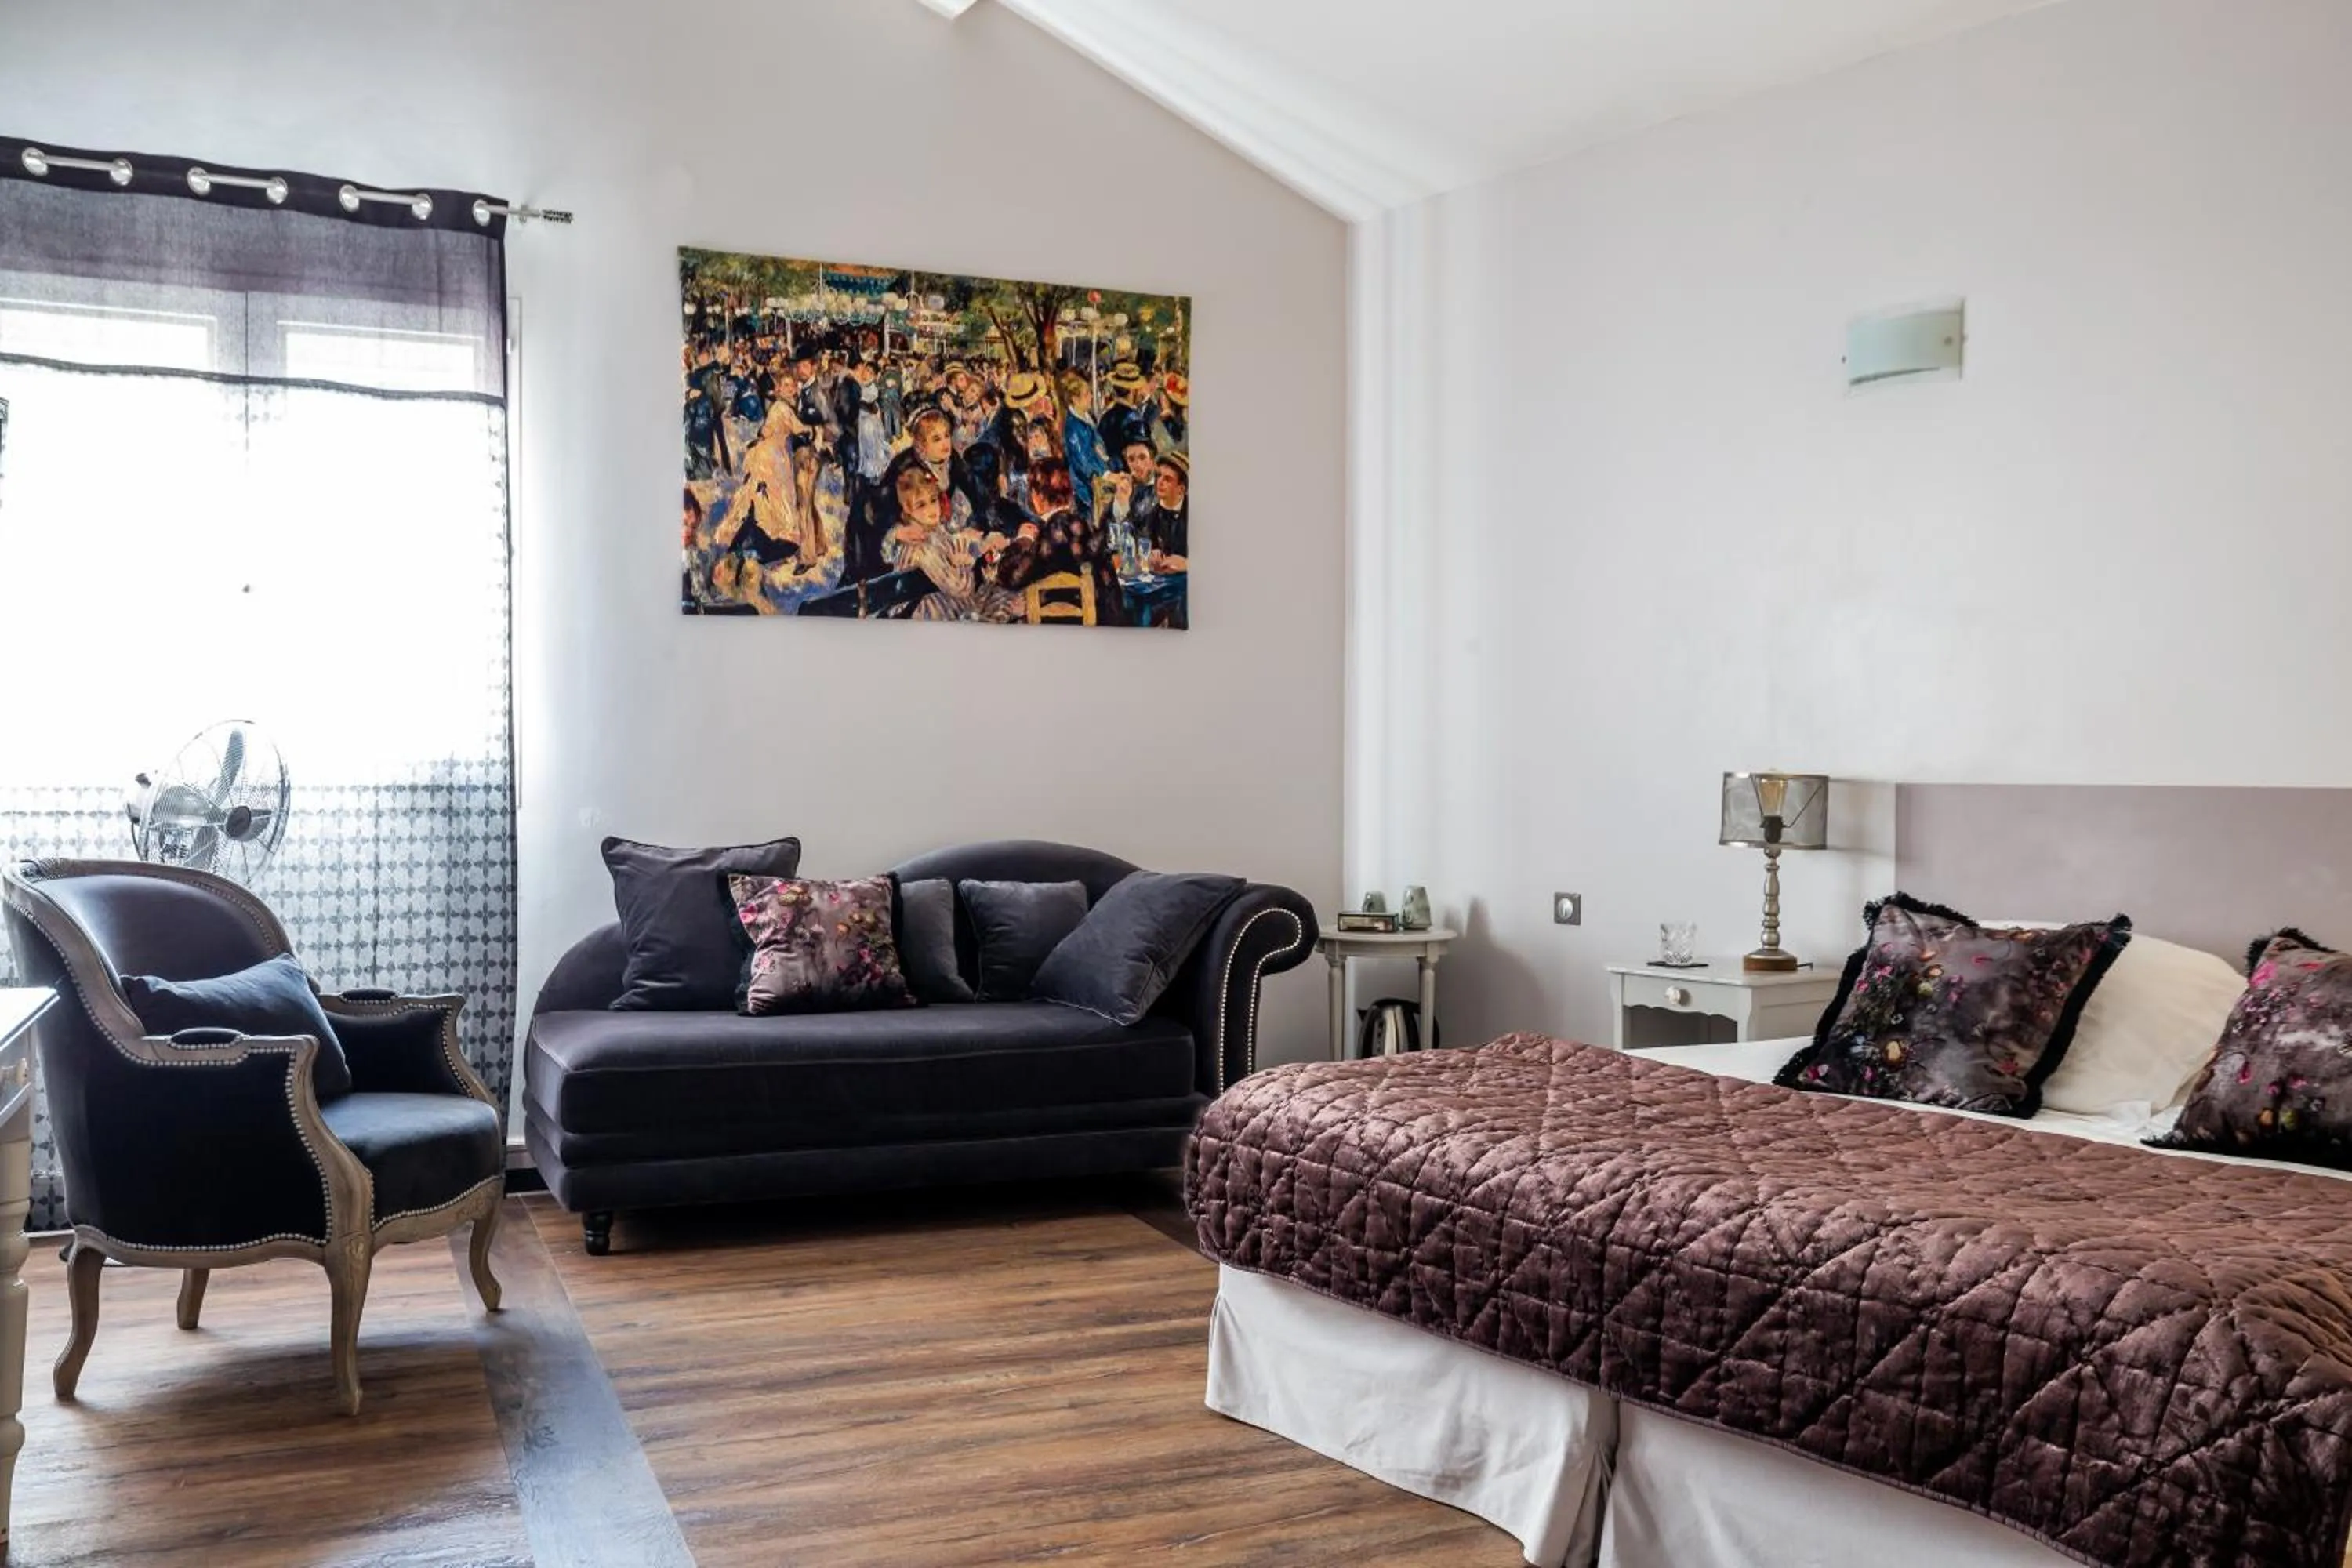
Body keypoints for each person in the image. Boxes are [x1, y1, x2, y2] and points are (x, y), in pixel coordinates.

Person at [990, 459, 1125, 626]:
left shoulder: (1055, 530)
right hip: (1101, 625)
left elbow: (1010, 576)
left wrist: (1023, 540)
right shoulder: (1084, 526)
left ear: (1037, 496)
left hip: (1060, 627)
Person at [1060, 374, 1110, 521]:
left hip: (1096, 482)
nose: (1091, 397)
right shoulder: (1073, 427)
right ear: (1075, 400)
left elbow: (1098, 446)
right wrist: (1104, 473)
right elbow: (1082, 461)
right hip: (1084, 489)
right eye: (1087, 394)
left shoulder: (1087, 418)